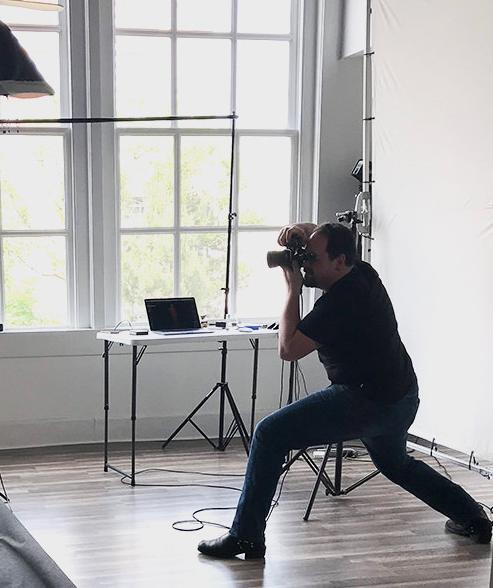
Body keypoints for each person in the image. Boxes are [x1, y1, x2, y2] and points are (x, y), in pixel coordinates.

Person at [197, 221, 492, 560]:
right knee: (396, 463)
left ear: (339, 261)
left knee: (268, 434)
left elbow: (288, 350)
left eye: (313, 258)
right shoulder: (363, 272)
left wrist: (292, 289)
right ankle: (472, 516)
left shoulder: (338, 304)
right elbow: (328, 235)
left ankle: (245, 537)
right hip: (401, 396)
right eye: (304, 255)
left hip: (364, 399)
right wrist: (303, 230)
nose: (306, 263)